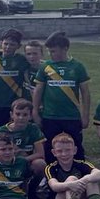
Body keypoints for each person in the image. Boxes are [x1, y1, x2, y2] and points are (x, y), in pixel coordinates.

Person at [32, 31, 90, 160]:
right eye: (49, 51)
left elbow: (85, 92)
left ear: (65, 49)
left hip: (71, 116)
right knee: (49, 148)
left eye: (53, 51)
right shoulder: (46, 67)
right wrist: (35, 111)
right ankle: (50, 176)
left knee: (75, 147)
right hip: (50, 116)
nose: (51, 54)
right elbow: (38, 90)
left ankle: (79, 175)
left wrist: (85, 115)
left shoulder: (77, 66)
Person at [0, 99, 47, 199]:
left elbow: (40, 153)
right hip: (8, 163)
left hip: (26, 161)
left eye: (25, 115)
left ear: (30, 116)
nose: (21, 118)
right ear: (12, 115)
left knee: (40, 164)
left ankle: (32, 191)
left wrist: (23, 160)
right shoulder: (3, 131)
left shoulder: (33, 129)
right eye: (18, 114)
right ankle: (3, 193)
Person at [0, 29, 30, 141]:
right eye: (5, 44)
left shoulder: (22, 60)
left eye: (12, 44)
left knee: (12, 136)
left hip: (13, 105)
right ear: (1, 43)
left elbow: (38, 64)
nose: (8, 47)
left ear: (18, 46)